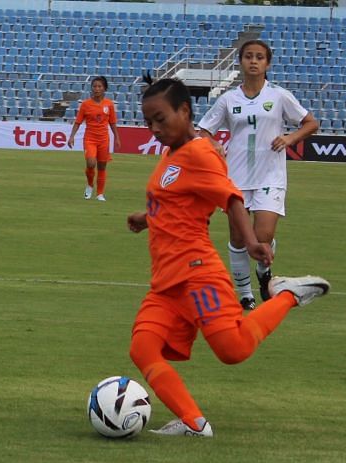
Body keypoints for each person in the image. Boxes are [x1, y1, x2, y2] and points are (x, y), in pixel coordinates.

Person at [126, 75, 329, 437]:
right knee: (143, 349)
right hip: (167, 281)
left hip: (196, 272)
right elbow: (180, 201)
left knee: (232, 350)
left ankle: (286, 295)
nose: (154, 128)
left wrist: (251, 242)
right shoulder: (173, 153)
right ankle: (194, 424)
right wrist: (146, 219)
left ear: (185, 111)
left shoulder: (201, 153)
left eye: (160, 119)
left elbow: (231, 198)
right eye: (148, 122)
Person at [198, 40, 319, 310]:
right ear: (240, 62)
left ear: (268, 64)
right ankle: (244, 294)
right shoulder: (228, 99)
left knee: (262, 236)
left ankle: (264, 274)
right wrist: (213, 144)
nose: (254, 61)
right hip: (236, 177)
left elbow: (311, 122)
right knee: (239, 238)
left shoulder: (279, 96)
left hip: (270, 176)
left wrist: (290, 138)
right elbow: (203, 131)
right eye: (249, 57)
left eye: (260, 57)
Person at [67, 76, 121, 202]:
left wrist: (117, 137)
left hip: (103, 139)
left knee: (102, 167)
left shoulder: (109, 104)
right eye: (94, 86)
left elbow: (112, 123)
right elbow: (78, 122)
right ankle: (90, 184)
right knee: (91, 163)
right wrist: (71, 136)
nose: (96, 89)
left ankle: (100, 194)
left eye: (99, 86)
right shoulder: (86, 104)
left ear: (104, 88)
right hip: (90, 138)